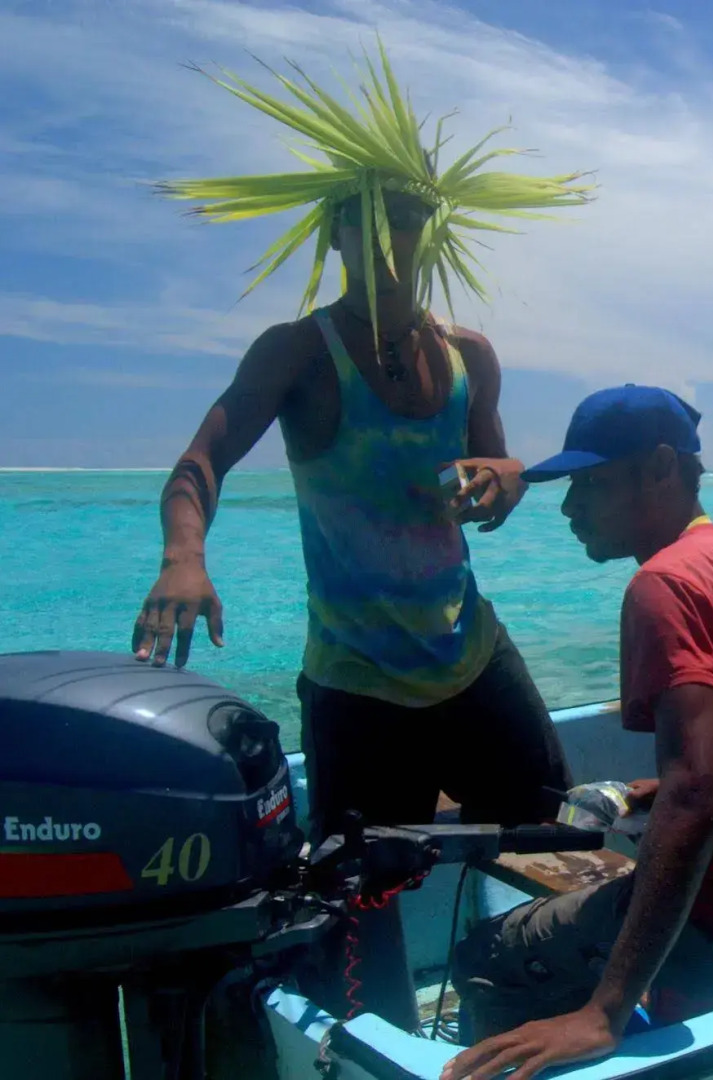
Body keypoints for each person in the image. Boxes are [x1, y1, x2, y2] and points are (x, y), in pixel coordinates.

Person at [129, 48, 586, 1029]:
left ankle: (509, 996)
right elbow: (199, 463)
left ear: (433, 225)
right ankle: (380, 1044)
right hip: (354, 680)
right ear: (333, 230)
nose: (387, 235)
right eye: (365, 216)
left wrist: (505, 480)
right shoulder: (298, 353)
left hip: (469, 652)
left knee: (545, 819)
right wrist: (183, 557)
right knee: (352, 893)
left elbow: (495, 471)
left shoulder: (469, 356)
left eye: (406, 214)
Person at [446, 386, 713, 1080]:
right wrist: (647, 793)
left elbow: (698, 798)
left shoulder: (665, 583)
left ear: (659, 468)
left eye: (590, 484)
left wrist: (604, 1012)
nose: (569, 508)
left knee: (486, 954)